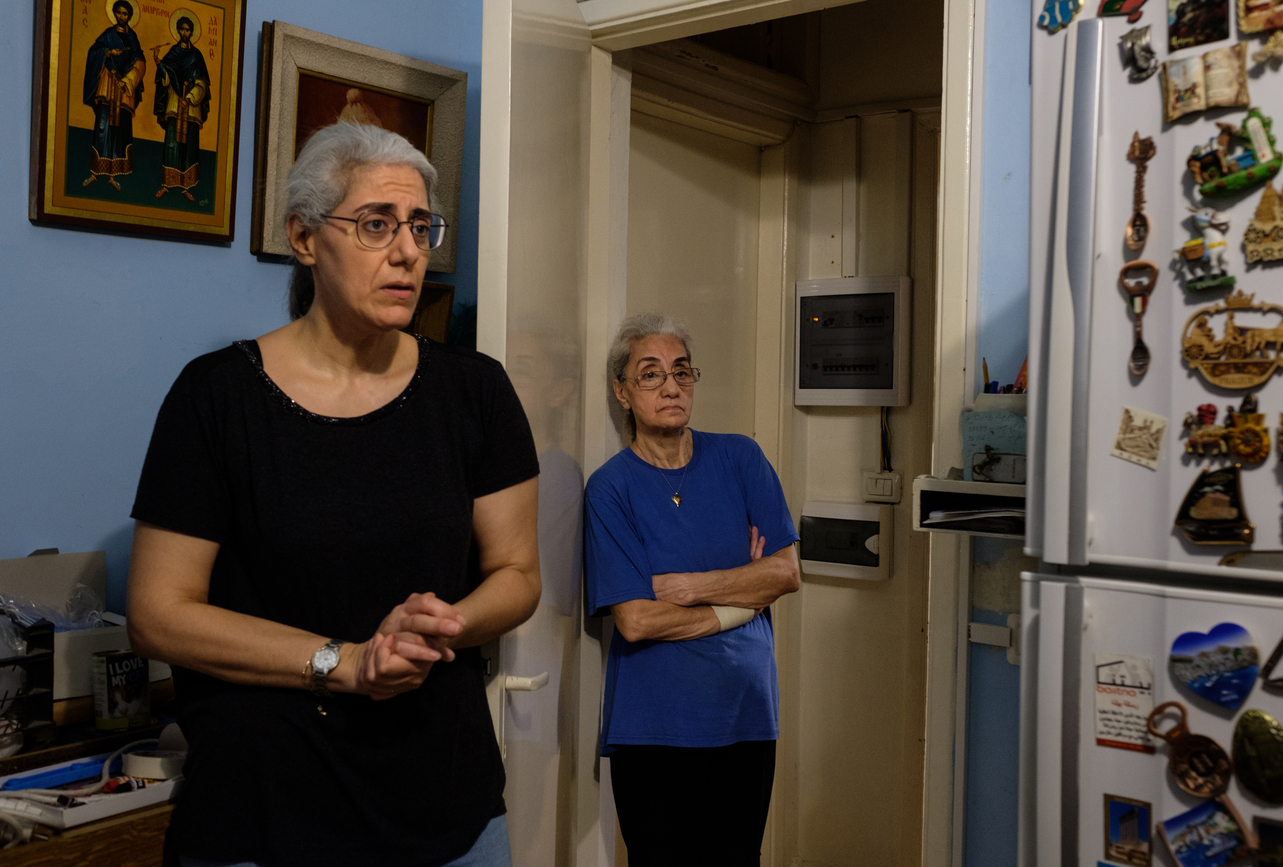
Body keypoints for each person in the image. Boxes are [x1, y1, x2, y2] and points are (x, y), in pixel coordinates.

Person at [127, 121, 540, 867]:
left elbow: (517, 573)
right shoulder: (215, 400)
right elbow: (159, 615)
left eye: (420, 226)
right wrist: (345, 660)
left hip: (447, 812)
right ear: (305, 236)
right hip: (265, 812)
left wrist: (437, 626)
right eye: (377, 224)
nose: (410, 251)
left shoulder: (474, 392)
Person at [584, 313, 801, 867]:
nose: (672, 386)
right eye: (650, 375)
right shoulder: (611, 488)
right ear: (623, 392)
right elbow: (636, 620)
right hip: (655, 725)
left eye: (681, 371)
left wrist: (684, 587)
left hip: (746, 715)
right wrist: (738, 601)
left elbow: (785, 573)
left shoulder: (740, 458)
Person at [82, 0, 145, 191]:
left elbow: (140, 60)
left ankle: (112, 175)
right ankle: (95, 172)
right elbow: (94, 51)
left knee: (120, 130)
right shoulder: (108, 35)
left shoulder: (132, 38)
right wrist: (107, 53)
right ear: (115, 14)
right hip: (107, 84)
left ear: (129, 16)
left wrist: (129, 80)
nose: (121, 16)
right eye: (118, 13)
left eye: (125, 14)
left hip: (124, 88)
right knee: (102, 127)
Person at [151, 16, 210, 201]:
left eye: (187, 30)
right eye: (182, 29)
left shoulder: (197, 56)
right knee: (172, 144)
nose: (184, 33)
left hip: (191, 108)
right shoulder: (172, 54)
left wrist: (191, 98)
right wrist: (159, 64)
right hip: (175, 104)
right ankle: (168, 185)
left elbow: (202, 83)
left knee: (190, 145)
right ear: (178, 31)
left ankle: (186, 187)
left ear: (191, 32)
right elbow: (166, 78)